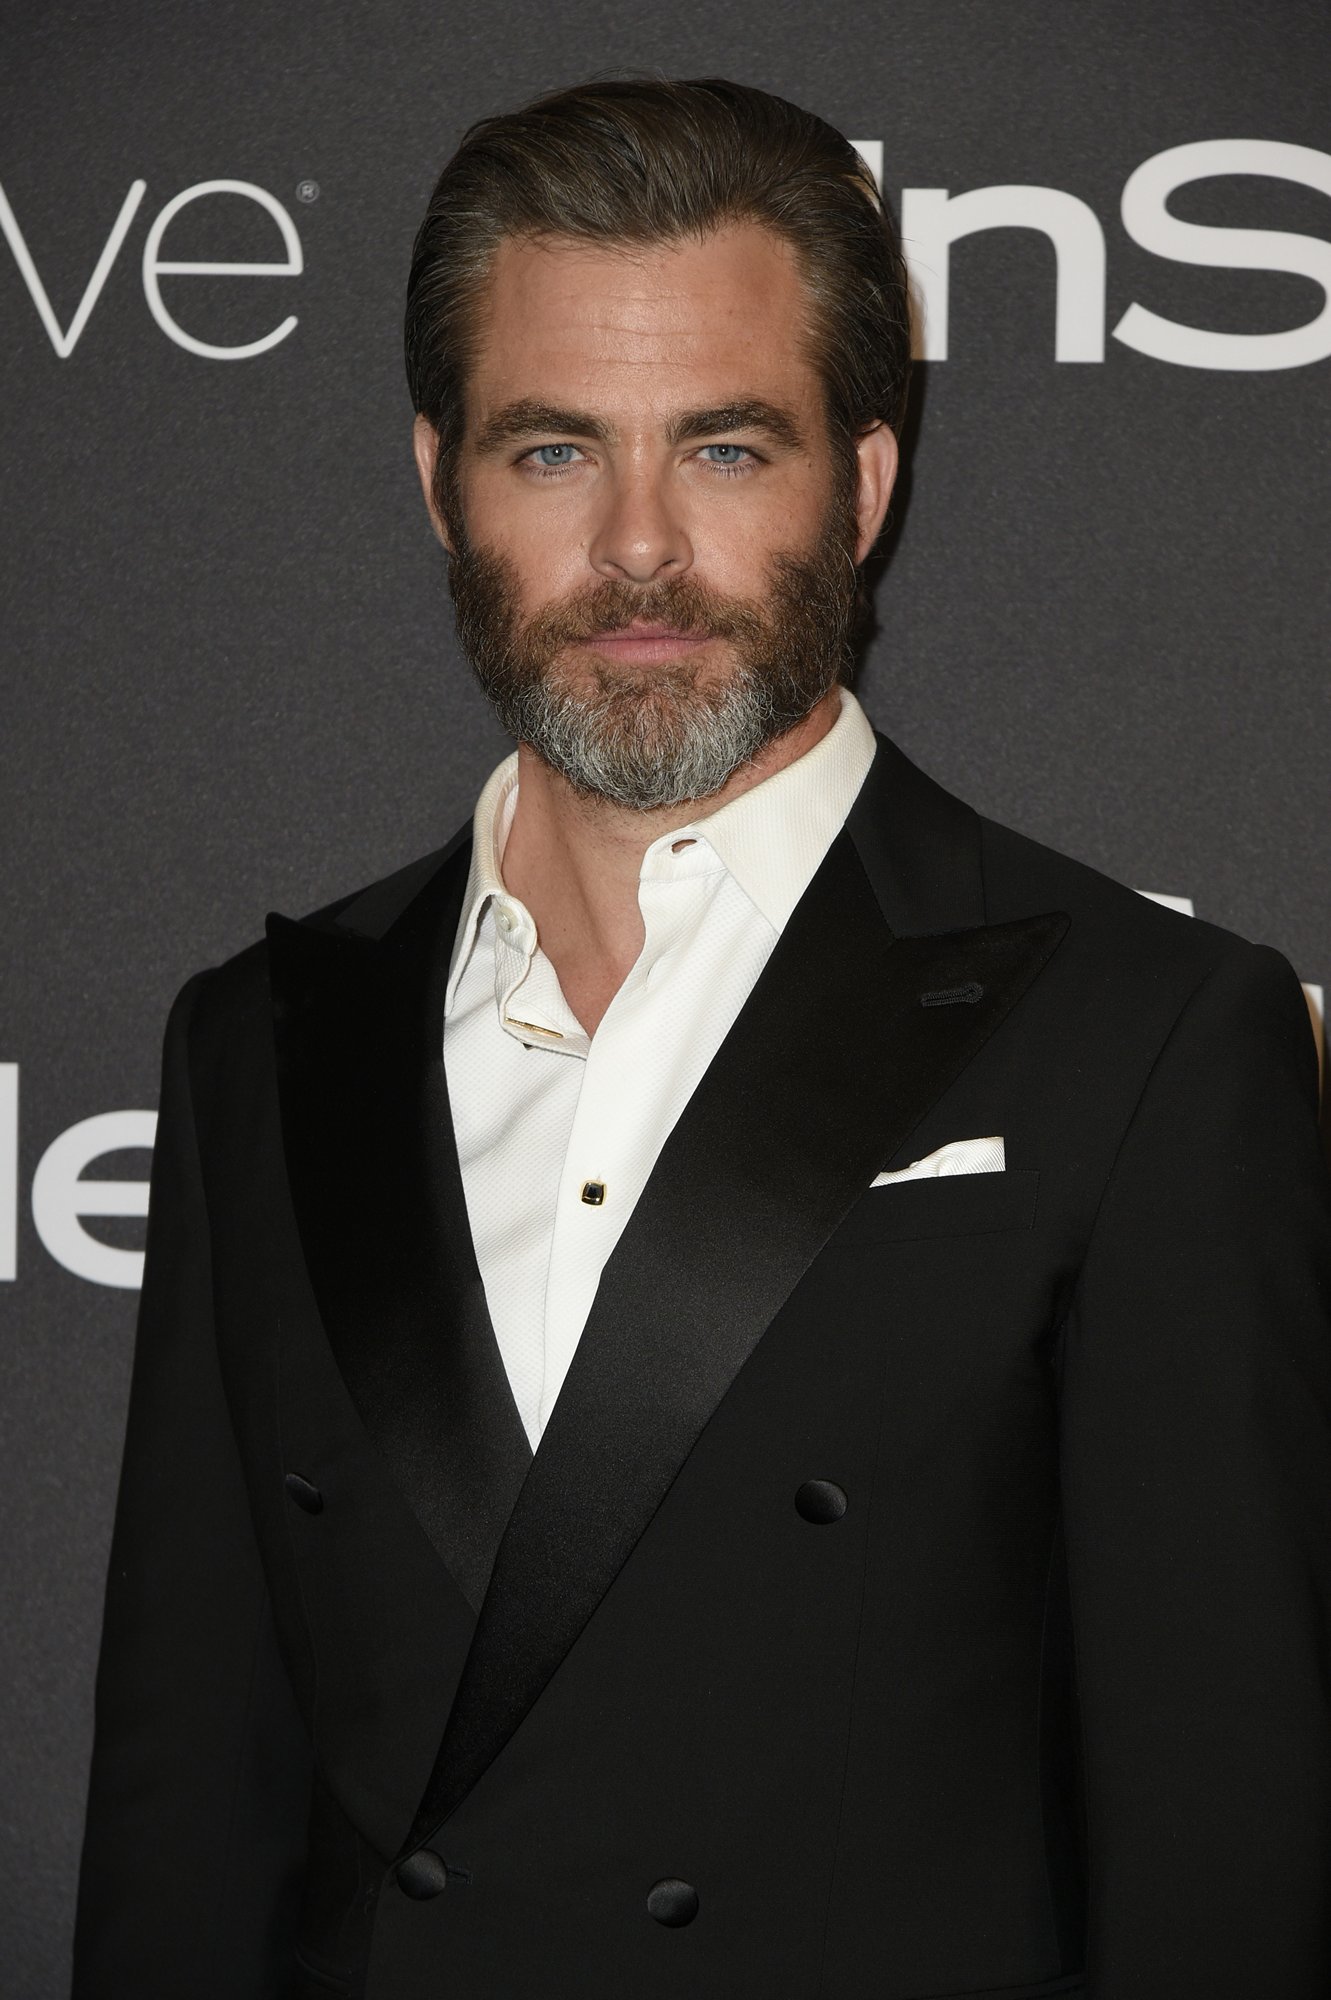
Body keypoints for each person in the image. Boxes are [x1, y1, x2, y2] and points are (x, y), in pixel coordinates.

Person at [72, 76, 1331, 2000]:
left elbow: (1224, 1849)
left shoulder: (1149, 1034)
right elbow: (190, 1814)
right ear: (440, 484)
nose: (641, 547)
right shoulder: (253, 1047)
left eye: (727, 450)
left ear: (863, 487)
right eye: (555, 450)